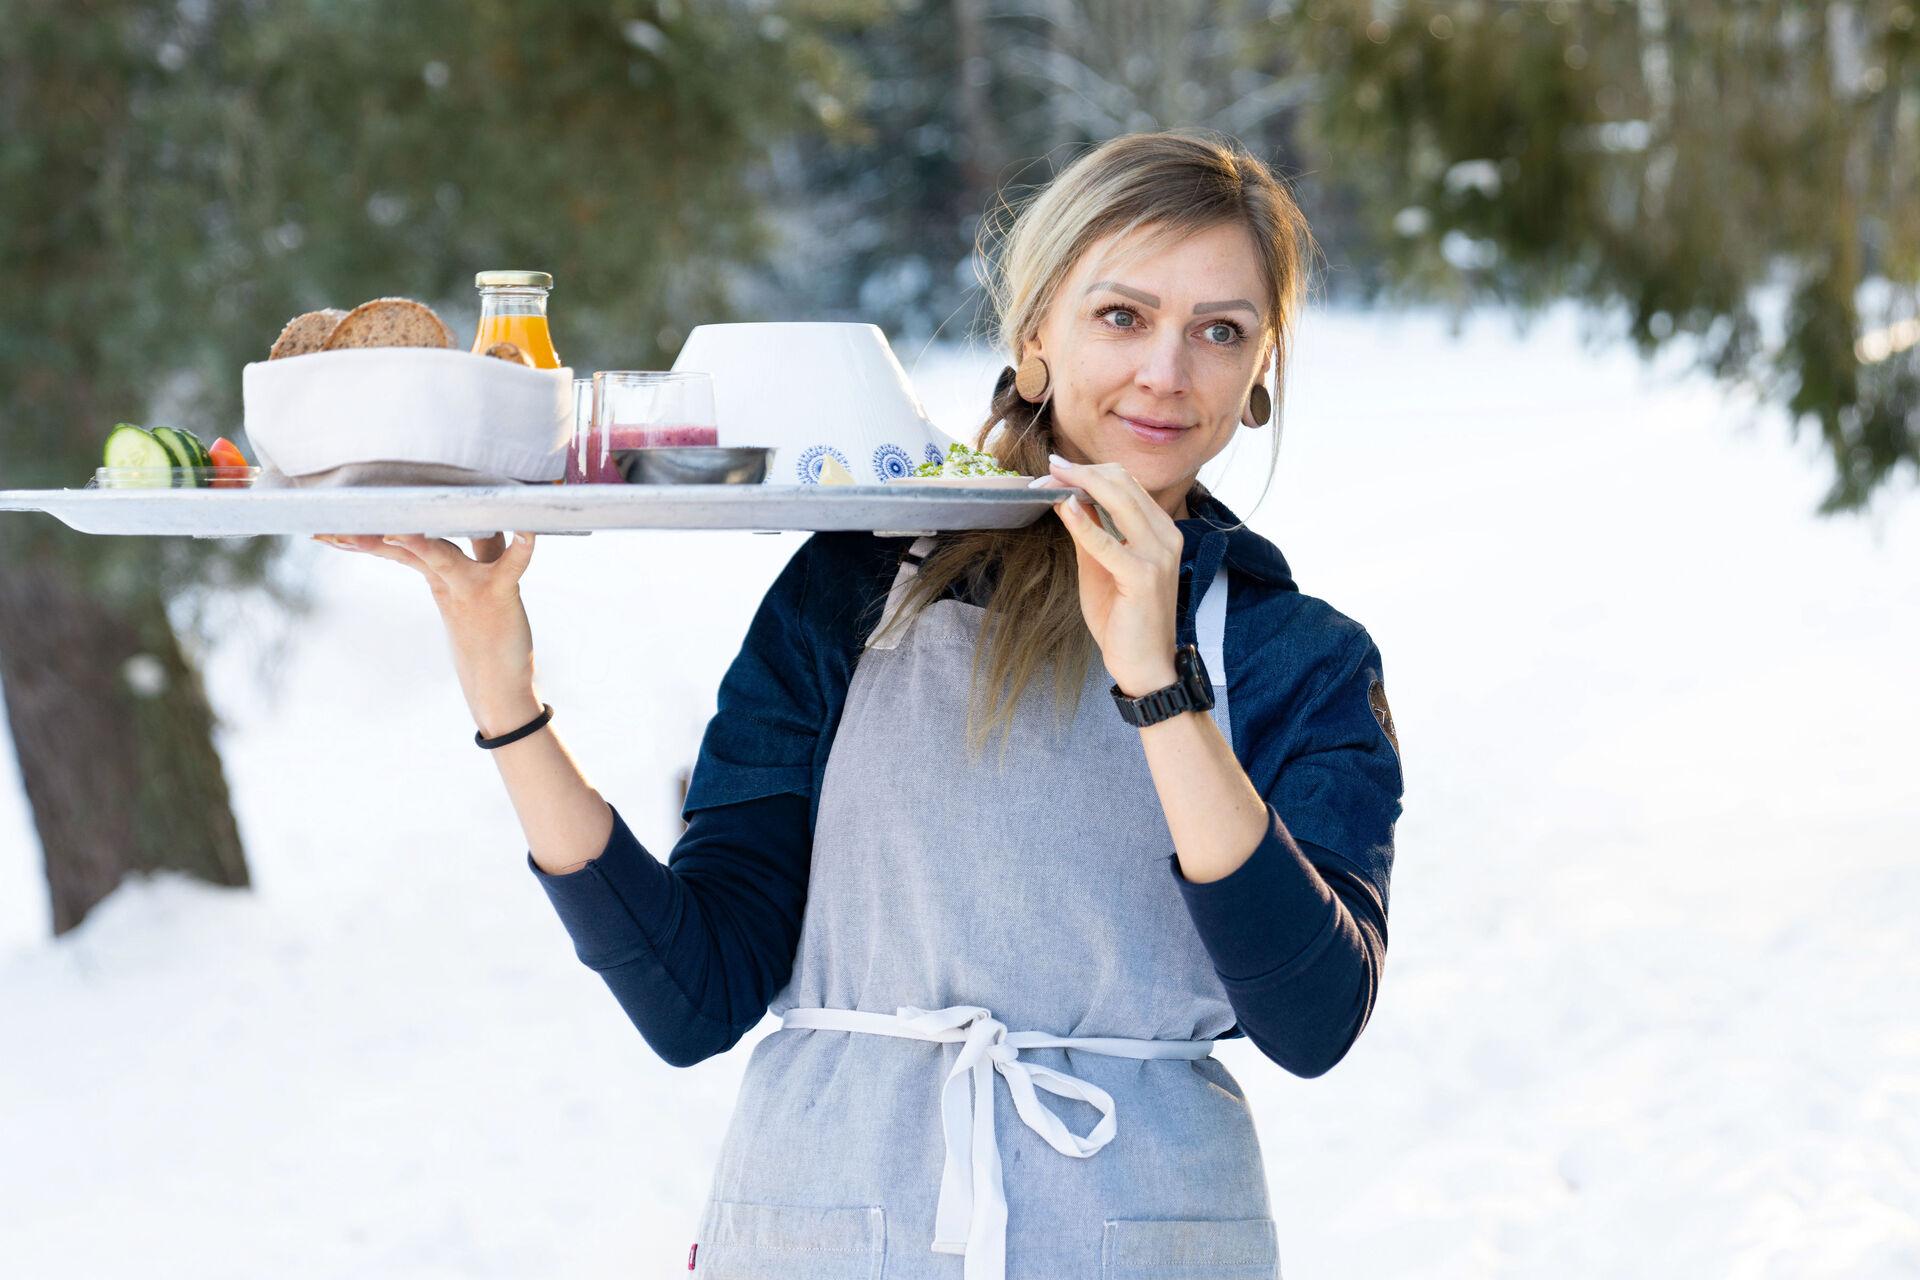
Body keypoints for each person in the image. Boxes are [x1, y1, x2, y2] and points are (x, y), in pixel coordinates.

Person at [315, 129, 1403, 1280]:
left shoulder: (1298, 655)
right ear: (1035, 340)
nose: (1167, 373)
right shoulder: (857, 582)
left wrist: (1158, 681)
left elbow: (1316, 1017)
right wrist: (504, 688)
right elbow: (698, 992)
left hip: (1139, 1235)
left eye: (1219, 331)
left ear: (1258, 373)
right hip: (831, 1221)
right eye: (1122, 316)